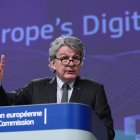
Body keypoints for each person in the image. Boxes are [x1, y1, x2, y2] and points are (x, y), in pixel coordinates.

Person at [0, 36, 115, 139]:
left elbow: (108, 133)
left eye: (75, 58)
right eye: (64, 58)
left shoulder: (94, 90)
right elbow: (7, 107)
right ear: (53, 63)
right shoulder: (35, 88)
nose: (70, 63)